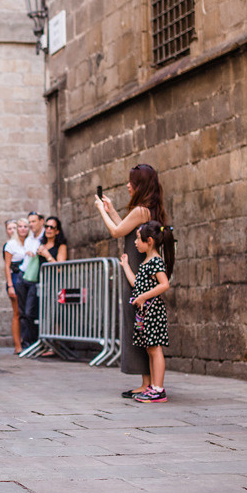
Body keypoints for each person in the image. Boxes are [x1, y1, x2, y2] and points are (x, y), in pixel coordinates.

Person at [95, 163, 169, 398]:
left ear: (140, 185)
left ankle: (151, 383)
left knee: (139, 327)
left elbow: (116, 232)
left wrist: (101, 210)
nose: (128, 185)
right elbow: (125, 228)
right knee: (140, 330)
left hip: (138, 275)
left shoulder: (141, 209)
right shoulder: (149, 209)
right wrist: (113, 210)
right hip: (139, 270)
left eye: (132, 182)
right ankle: (147, 382)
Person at [119, 221, 175, 403]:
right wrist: (126, 265)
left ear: (149, 241)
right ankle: (153, 386)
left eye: (138, 239)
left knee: (155, 349)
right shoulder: (146, 262)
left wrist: (144, 297)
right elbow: (137, 284)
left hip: (153, 312)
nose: (135, 243)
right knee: (150, 349)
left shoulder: (156, 262)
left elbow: (164, 284)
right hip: (145, 314)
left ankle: (158, 389)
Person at [15, 211, 45, 350]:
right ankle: (26, 344)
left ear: (41, 221)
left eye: (33, 222)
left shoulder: (44, 237)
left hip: (34, 277)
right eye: (30, 222)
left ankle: (33, 343)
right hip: (24, 274)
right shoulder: (29, 238)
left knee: (30, 311)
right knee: (23, 312)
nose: (31, 225)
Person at [3, 218, 29, 353]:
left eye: (25, 226)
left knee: (28, 312)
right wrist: (10, 285)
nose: (23, 229)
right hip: (15, 278)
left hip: (28, 278)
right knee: (17, 312)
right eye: (20, 226)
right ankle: (17, 346)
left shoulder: (31, 243)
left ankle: (27, 342)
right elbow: (7, 266)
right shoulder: (11, 244)